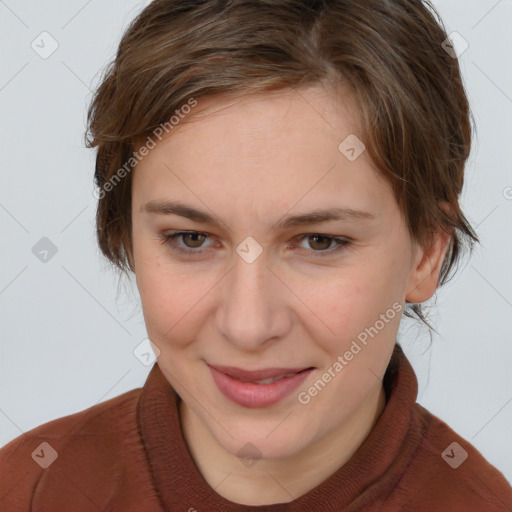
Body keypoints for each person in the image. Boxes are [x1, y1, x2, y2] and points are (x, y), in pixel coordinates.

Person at [1, 0, 511, 510]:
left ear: (426, 254)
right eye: (191, 239)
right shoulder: (26, 489)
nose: (248, 326)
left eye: (319, 242)